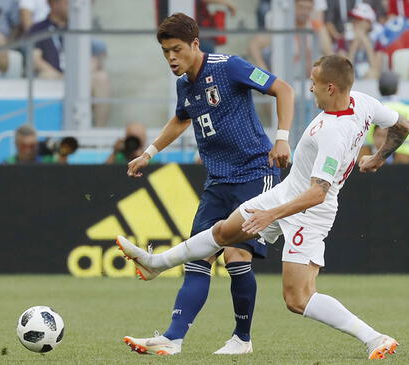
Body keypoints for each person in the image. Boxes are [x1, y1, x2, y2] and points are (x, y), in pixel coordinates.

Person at [116, 55, 409, 360]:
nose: (311, 90)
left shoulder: (333, 133)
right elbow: (403, 125)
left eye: (315, 84)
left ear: (332, 87)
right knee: (223, 230)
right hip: (286, 193)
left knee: (298, 298)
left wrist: (271, 215)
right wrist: (378, 157)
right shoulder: (363, 102)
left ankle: (374, 337)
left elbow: (317, 194)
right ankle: (156, 264)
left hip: (309, 212)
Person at [121, 13, 294, 356]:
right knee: (198, 258)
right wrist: (150, 152)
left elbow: (283, 89)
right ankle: (172, 338)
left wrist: (283, 138)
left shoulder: (229, 66)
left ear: (195, 44)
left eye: (177, 49)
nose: (171, 58)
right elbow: (180, 119)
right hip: (218, 180)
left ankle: (242, 340)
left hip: (255, 174)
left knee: (235, 254)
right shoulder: (184, 83)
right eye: (166, 52)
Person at [29, 0, 111, 126]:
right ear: (54, 4)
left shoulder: (79, 26)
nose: (72, 6)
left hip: (79, 77)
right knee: (46, 76)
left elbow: (96, 58)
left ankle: (99, 133)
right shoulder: (38, 28)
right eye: (67, 2)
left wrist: (80, 74)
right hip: (54, 76)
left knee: (101, 78)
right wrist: (58, 75)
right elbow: (35, 59)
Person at [359, 71, 409, 164]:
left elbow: (360, 141)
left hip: (371, 164)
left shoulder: (370, 110)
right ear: (397, 89)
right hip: (405, 165)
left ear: (379, 88)